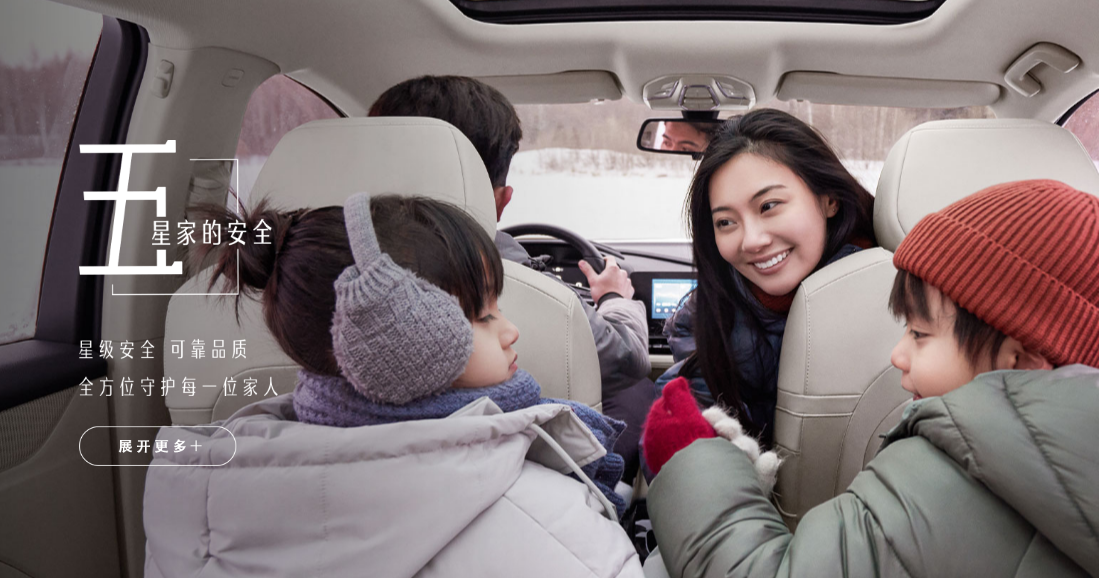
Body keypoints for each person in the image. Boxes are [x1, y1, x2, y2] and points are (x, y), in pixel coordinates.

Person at [641, 179, 1099, 577]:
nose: (898, 355)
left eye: (919, 334)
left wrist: (692, 461)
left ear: (1020, 359)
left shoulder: (951, 469)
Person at [142, 193, 642, 578]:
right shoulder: (543, 517)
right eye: (482, 315)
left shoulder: (196, 499)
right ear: (398, 338)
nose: (510, 331)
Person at [368, 76, 652, 471]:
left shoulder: (283, 281)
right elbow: (627, 358)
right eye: (484, 313)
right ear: (501, 202)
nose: (509, 332)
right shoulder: (532, 291)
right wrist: (614, 299)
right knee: (640, 390)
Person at [653, 108, 876, 447]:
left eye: (769, 206)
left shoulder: (900, 303)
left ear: (829, 198)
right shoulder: (706, 317)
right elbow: (688, 439)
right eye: (726, 222)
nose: (752, 240)